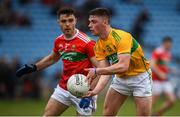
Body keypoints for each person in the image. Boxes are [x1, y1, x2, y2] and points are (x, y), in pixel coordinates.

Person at [16, 8, 99, 116]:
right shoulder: (58, 41)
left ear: (76, 21)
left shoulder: (87, 42)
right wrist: (34, 67)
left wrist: (90, 93)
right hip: (64, 88)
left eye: (70, 20)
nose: (67, 24)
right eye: (64, 21)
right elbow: (52, 58)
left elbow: (100, 70)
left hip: (84, 91)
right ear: (58, 22)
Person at [84, 8, 152, 116]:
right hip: (120, 78)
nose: (89, 25)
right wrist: (95, 91)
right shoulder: (98, 46)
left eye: (93, 21)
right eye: (89, 22)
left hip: (140, 77)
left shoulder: (122, 37)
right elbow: (104, 73)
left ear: (105, 22)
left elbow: (123, 66)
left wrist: (97, 70)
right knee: (107, 114)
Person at [151, 37, 176, 116]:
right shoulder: (158, 51)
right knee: (152, 102)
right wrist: (160, 73)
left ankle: (157, 114)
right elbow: (152, 64)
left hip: (165, 80)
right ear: (165, 43)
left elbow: (163, 65)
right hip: (156, 80)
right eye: (169, 44)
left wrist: (170, 70)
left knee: (172, 100)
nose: (170, 46)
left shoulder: (168, 53)